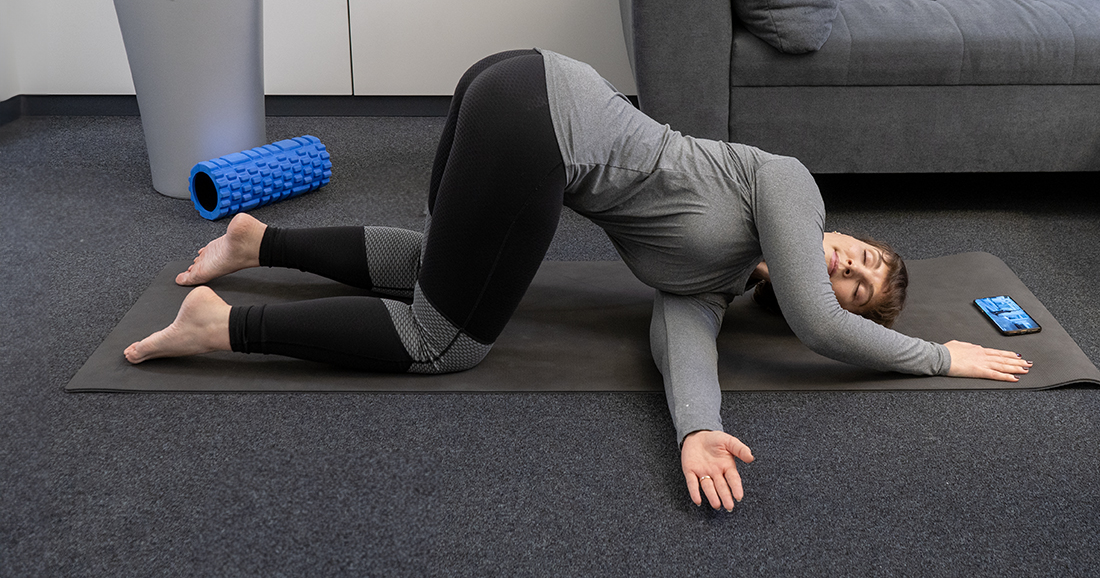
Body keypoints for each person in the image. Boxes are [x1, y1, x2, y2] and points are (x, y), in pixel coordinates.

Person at [125, 49, 1032, 511]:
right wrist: (937, 355)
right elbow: (820, 324)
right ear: (839, 233)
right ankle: (222, 325)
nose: (845, 268)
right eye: (861, 254)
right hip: (538, 120)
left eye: (859, 287)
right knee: (446, 343)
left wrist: (701, 430)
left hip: (516, 87)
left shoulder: (708, 284)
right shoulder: (788, 183)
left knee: (446, 274)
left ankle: (257, 241)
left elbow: (683, 343)